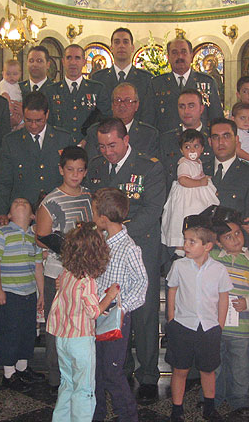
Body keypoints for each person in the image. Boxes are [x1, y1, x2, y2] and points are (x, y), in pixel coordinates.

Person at [85, 117, 166, 400]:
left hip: (139, 249)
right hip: (104, 252)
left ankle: (148, 375)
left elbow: (152, 209)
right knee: (110, 308)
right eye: (102, 146)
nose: (107, 152)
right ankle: (122, 369)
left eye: (113, 145)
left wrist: (118, 235)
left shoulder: (149, 167)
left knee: (143, 314)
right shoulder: (95, 167)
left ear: (126, 140)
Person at [47, 223, 120, 422]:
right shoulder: (87, 280)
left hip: (62, 337)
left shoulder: (66, 274)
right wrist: (110, 295)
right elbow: (93, 312)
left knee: (67, 383)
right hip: (80, 340)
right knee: (84, 388)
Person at [35, 145, 93, 392]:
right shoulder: (51, 201)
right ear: (61, 169)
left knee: (81, 326)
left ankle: (80, 375)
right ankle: (55, 378)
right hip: (57, 273)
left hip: (85, 274)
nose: (75, 175)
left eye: (80, 170)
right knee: (57, 327)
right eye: (70, 170)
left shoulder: (90, 197)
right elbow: (41, 237)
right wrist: (68, 251)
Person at [165, 214, 233, 421]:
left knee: (208, 370)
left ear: (207, 246)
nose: (186, 245)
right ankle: (177, 409)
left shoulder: (219, 270)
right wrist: (171, 319)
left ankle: (209, 407)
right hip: (183, 326)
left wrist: (218, 325)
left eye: (191, 242)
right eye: (185, 240)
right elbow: (172, 290)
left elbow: (223, 298)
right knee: (180, 369)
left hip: (208, 328)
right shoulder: (179, 266)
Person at [91, 188, 147, 422]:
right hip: (97, 311)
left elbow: (142, 285)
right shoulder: (101, 240)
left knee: (113, 371)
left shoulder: (129, 248)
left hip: (115, 318)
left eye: (94, 212)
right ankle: (97, 414)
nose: (92, 216)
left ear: (104, 218)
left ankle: (128, 416)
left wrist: (121, 308)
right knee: (96, 370)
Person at [209, 208, 249, 415]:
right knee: (214, 364)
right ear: (218, 242)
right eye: (228, 237)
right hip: (214, 324)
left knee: (241, 366)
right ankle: (212, 397)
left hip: (240, 328)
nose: (235, 239)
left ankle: (241, 399)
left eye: (237, 234)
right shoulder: (213, 258)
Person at [0, 91, 75, 230]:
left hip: (57, 214)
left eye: (39, 120)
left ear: (47, 114)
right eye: (28, 120)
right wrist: (1, 212)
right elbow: (3, 182)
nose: (33, 125)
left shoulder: (63, 139)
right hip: (22, 217)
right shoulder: (11, 141)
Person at [0, 198, 44, 392]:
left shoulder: (34, 237)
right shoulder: (2, 233)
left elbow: (38, 267)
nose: (20, 202)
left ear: (32, 216)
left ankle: (22, 367)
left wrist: (41, 294)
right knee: (10, 332)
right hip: (9, 293)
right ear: (9, 215)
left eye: (25, 203)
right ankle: (9, 373)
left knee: (27, 332)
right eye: (15, 203)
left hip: (29, 293)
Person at [205, 118, 249, 254]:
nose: (221, 142)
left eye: (226, 136)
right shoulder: (199, 170)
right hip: (203, 250)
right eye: (216, 137)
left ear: (237, 140)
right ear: (210, 142)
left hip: (235, 250)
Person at [145, 37, 223, 132]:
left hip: (199, 141)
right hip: (166, 142)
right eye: (174, 53)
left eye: (184, 52)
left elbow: (217, 118)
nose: (180, 56)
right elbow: (148, 120)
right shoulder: (157, 84)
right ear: (168, 57)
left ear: (191, 55)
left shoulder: (207, 82)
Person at [161, 129, 219, 250]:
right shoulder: (184, 164)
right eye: (187, 147)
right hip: (187, 197)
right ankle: (182, 245)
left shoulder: (198, 162)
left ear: (202, 149)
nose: (192, 150)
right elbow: (183, 180)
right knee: (185, 217)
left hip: (196, 192)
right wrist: (199, 182)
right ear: (182, 150)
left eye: (196, 146)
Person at [44, 44, 111, 141]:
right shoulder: (51, 91)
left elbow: (105, 120)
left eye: (77, 58)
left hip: (90, 146)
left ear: (84, 62)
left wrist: (87, 140)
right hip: (60, 147)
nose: (73, 62)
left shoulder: (97, 89)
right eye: (69, 58)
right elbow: (47, 123)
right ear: (63, 61)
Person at [83, 82, 158, 160]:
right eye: (118, 100)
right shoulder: (95, 131)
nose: (122, 105)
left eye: (128, 101)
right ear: (112, 105)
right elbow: (92, 165)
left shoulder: (149, 135)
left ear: (137, 105)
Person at [91, 27, 153, 123]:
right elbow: (95, 113)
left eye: (125, 42)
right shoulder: (98, 78)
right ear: (111, 48)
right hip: (107, 133)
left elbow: (148, 112)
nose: (121, 46)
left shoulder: (146, 79)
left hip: (138, 134)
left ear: (132, 48)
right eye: (117, 42)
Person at [159, 89, 214, 192]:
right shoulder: (166, 139)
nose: (186, 111)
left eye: (191, 106)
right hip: (175, 199)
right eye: (182, 107)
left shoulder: (212, 138)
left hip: (205, 198)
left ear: (201, 109)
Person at [0, 58, 24, 130]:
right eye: (8, 74)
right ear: (3, 74)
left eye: (15, 74)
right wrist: (9, 106)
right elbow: (5, 95)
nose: (11, 76)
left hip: (17, 108)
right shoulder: (4, 84)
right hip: (9, 107)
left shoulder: (17, 84)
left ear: (20, 74)